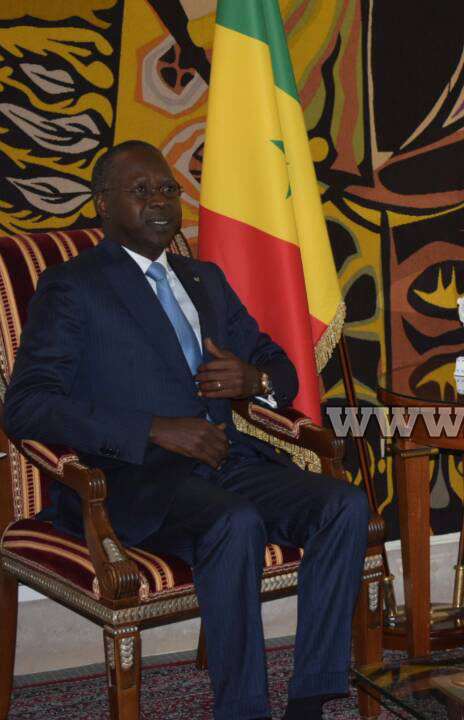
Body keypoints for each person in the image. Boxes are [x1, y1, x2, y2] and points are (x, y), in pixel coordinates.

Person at [3, 140, 368, 720]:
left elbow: (280, 365)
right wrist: (152, 429)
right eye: (141, 190)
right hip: (133, 479)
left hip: (229, 463)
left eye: (169, 189)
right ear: (102, 203)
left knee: (344, 505)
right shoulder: (74, 286)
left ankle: (309, 699)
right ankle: (243, 710)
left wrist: (253, 378)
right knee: (235, 522)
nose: (160, 201)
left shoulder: (205, 279)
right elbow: (26, 406)